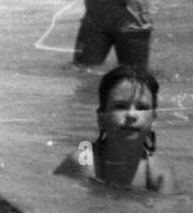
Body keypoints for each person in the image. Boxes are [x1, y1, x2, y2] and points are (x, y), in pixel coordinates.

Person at [54, 65, 176, 193]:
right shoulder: (83, 162)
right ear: (101, 118)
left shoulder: (158, 173)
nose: (131, 115)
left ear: (152, 118)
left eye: (141, 107)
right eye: (120, 106)